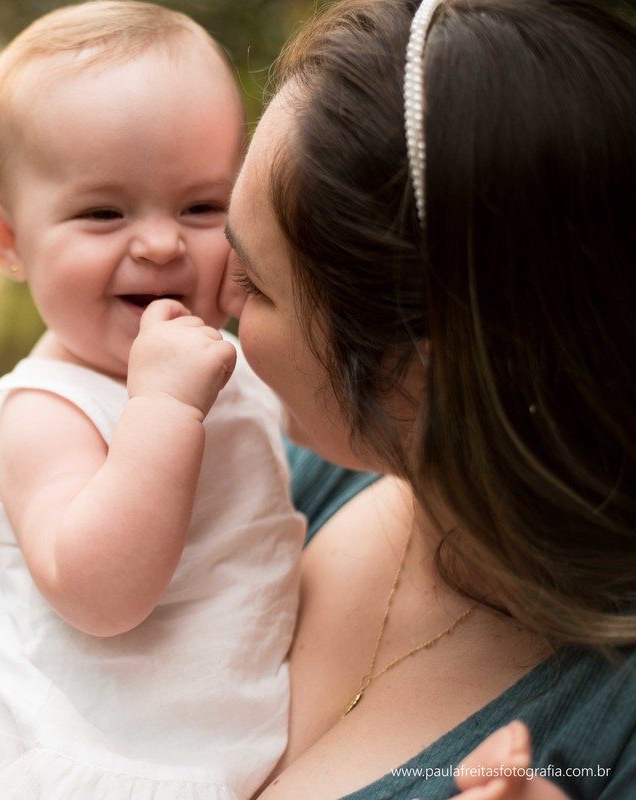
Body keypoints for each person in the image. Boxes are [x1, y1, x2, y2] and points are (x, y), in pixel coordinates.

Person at [0, 2, 304, 798]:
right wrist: (162, 409)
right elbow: (101, 595)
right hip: (74, 748)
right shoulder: (46, 411)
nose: (159, 243)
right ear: (7, 240)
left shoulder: (232, 358)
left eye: (201, 206)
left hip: (208, 733)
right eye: (103, 213)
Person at [218, 0, 636, 798]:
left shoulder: (611, 728)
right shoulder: (280, 473)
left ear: (417, 377)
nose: (217, 300)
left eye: (255, 287)